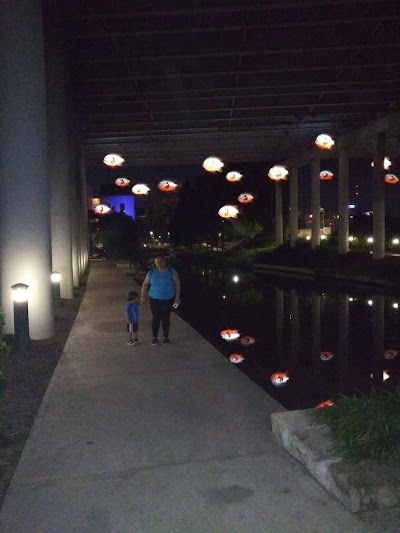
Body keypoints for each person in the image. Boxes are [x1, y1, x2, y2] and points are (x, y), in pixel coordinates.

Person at [140, 256, 181, 345]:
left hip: (168, 298)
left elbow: (177, 284)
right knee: (156, 318)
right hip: (154, 298)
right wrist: (143, 296)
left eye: (160, 262)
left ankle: (165, 337)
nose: (158, 264)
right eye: (156, 263)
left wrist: (177, 297)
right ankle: (155, 337)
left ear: (164, 262)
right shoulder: (151, 272)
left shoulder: (171, 271)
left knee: (166, 318)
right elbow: (145, 284)